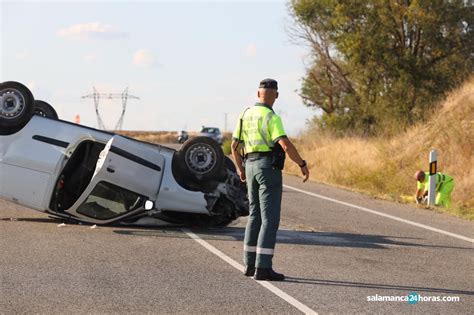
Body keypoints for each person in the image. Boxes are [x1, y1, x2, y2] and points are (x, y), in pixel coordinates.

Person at [231, 78, 310, 281]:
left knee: (255, 215)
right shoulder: (271, 117)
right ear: (276, 95)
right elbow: (284, 145)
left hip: (249, 166)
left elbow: (233, 146)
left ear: (258, 94)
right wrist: (301, 164)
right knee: (270, 218)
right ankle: (263, 268)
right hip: (267, 168)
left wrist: (240, 169)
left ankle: (249, 264)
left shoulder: (245, 114)